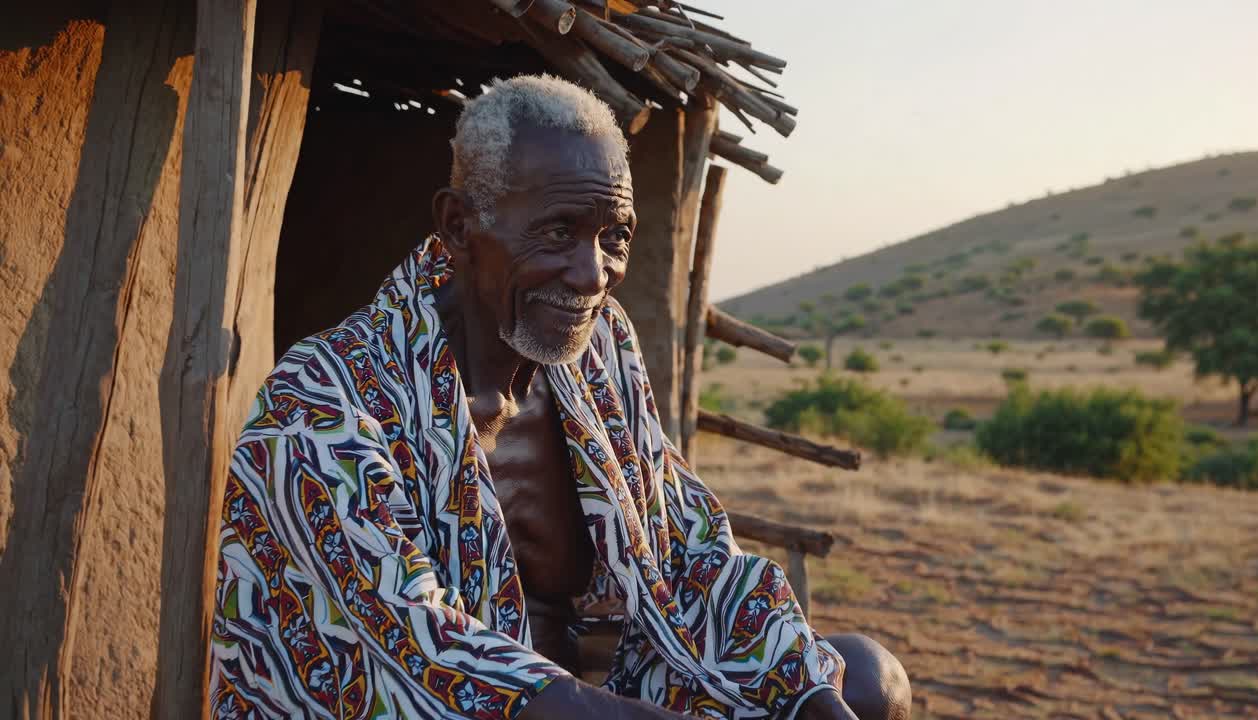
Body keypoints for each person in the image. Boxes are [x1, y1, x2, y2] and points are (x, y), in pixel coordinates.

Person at [208, 74, 909, 720]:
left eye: (615, 236)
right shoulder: (324, 401)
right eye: (558, 231)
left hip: (602, 687)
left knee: (865, 679)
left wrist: (808, 690)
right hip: (433, 703)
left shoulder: (600, 350)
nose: (591, 274)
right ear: (458, 225)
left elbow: (686, 545)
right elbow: (420, 649)